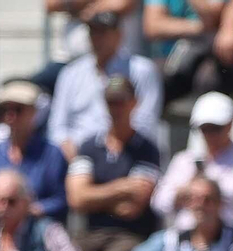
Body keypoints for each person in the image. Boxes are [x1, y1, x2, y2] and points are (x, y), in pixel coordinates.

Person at [67, 76, 163, 251]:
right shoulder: (89, 147)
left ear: (134, 103)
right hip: (91, 233)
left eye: (121, 101)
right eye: (111, 102)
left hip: (130, 234)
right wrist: (122, 187)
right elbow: (77, 199)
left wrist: (94, 195)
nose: (116, 108)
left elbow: (132, 206)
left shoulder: (147, 149)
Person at [150, 92, 233, 238]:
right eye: (205, 129)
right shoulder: (184, 159)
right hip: (182, 239)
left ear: (230, 125)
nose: (210, 135)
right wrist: (191, 192)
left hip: (232, 241)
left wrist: (186, 191)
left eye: (216, 128)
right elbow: (159, 202)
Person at [47, 11, 164, 158]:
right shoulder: (71, 73)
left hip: (126, 153)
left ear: (119, 35)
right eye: (93, 32)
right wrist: (69, 149)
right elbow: (57, 127)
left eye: (103, 32)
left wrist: (114, 144)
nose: (96, 38)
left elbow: (146, 120)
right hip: (76, 157)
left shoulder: (142, 70)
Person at [0, 81, 69, 224]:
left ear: (34, 112)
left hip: (40, 233)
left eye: (18, 110)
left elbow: (62, 200)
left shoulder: (52, 154)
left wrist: (31, 209)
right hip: (1, 234)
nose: (10, 116)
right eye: (4, 111)